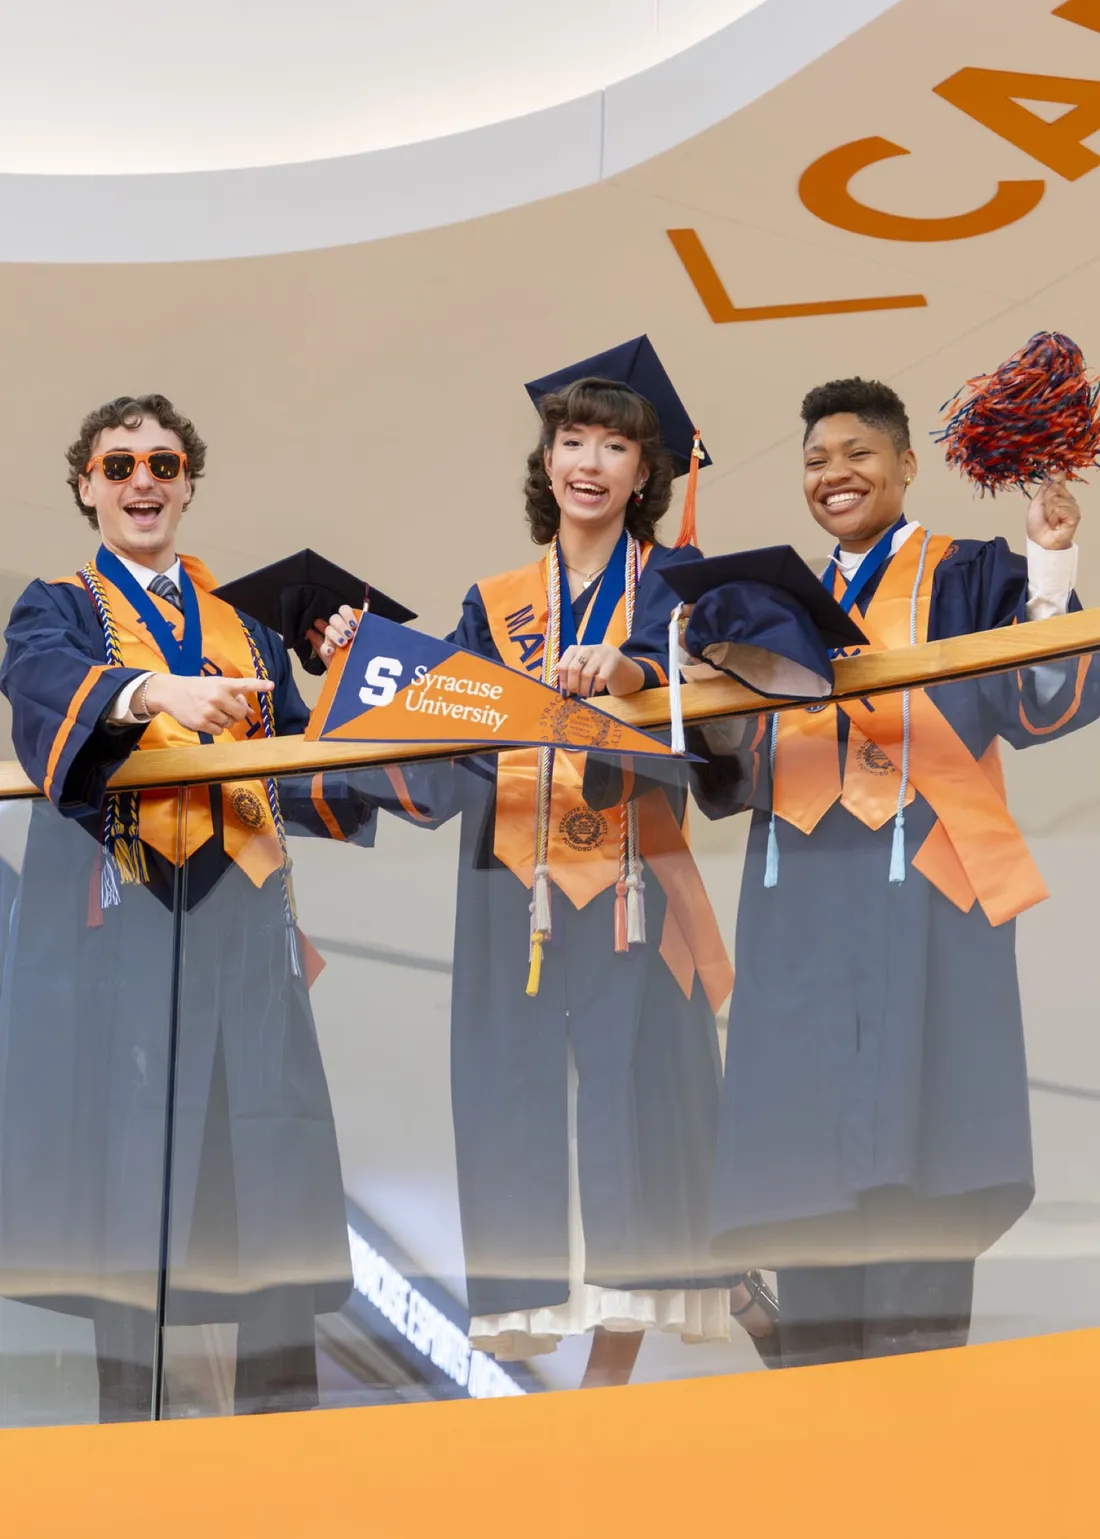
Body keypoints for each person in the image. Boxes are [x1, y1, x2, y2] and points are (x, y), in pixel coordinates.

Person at [319, 338, 782, 1385]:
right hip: (509, 883)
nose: (587, 460)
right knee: (505, 1095)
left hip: (629, 875)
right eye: (570, 439)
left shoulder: (677, 591)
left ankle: (617, 1366)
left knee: (642, 1111)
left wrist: (630, 671)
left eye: (614, 445)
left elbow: (723, 718)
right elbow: (435, 724)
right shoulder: (494, 604)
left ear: (641, 474)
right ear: (546, 462)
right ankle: (539, 1319)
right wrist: (365, 656)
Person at [676, 376, 1096, 1365]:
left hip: (930, 897)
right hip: (802, 903)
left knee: (925, 1158)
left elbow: (1040, 698)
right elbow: (726, 768)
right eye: (816, 461)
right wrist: (709, 688)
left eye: (857, 454)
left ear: (906, 465)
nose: (834, 475)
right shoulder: (766, 603)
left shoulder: (966, 573)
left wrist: (1048, 555)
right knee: (808, 1171)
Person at [0, 394, 375, 1421]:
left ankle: (283, 1441)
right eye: (117, 466)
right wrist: (153, 694)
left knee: (265, 1155)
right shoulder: (59, 606)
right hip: (122, 928)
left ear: (188, 482)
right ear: (85, 485)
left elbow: (305, 767)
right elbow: (36, 683)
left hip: (245, 925)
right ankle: (132, 1446)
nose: (141, 483)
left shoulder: (248, 625)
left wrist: (353, 677)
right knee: (132, 1177)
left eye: (162, 463)